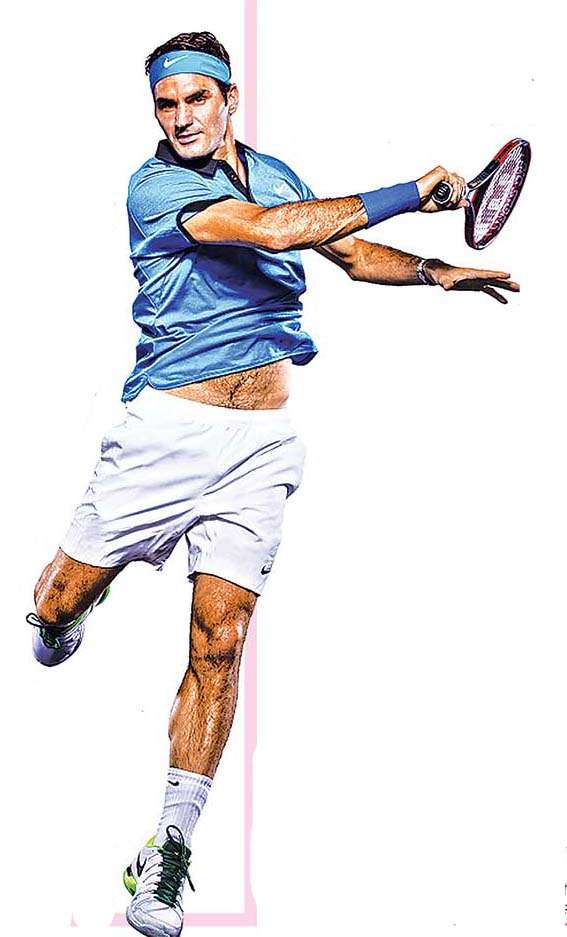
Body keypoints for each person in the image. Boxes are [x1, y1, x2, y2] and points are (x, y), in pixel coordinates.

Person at [26, 29, 520, 937]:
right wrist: (412, 191)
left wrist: (432, 271)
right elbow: (271, 230)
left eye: (196, 99)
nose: (181, 118)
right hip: (165, 436)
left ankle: (167, 852)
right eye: (165, 103)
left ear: (228, 98)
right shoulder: (156, 187)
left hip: (260, 444)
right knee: (55, 600)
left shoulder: (276, 173)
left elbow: (343, 250)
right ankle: (62, 616)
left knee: (220, 642)